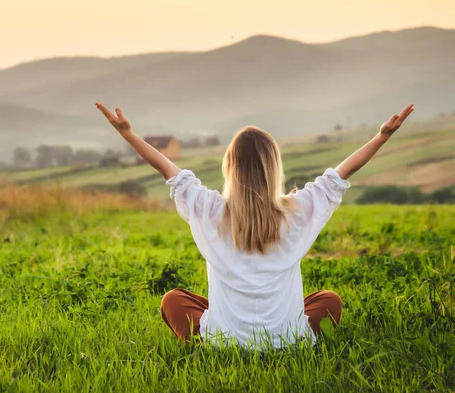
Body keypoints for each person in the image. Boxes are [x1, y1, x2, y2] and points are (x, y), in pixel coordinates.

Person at [96, 102, 415, 349]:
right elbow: (342, 173)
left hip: (225, 344)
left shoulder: (210, 210)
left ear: (229, 167)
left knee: (173, 301)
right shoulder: (297, 211)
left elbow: (166, 168)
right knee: (329, 300)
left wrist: (128, 134)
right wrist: (381, 137)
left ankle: (210, 344)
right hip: (289, 342)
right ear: (274, 167)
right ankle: (292, 341)